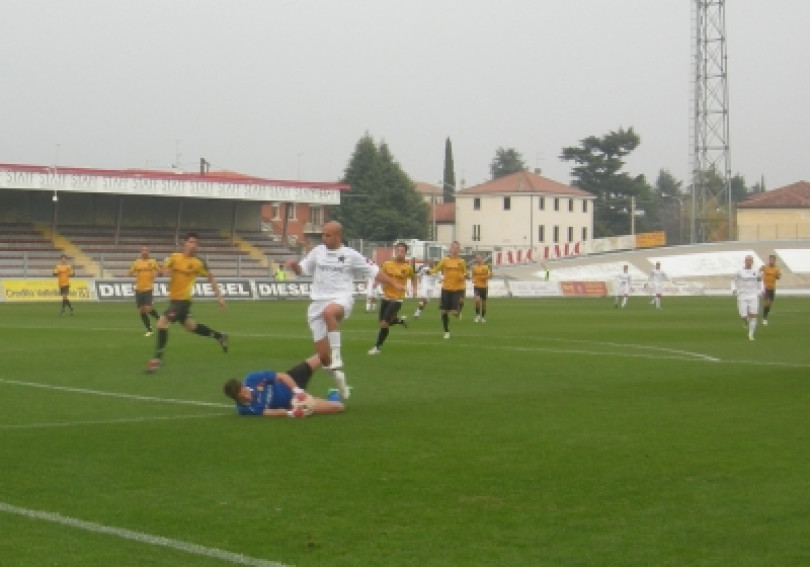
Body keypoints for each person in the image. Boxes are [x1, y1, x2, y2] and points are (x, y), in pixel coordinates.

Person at [285, 221, 403, 398]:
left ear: (338, 236)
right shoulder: (317, 252)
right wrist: (294, 265)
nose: (324, 238)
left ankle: (338, 356)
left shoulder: (350, 255)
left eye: (328, 235)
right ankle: (340, 379)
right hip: (317, 302)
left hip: (341, 299)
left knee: (329, 313)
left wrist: (393, 282)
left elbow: (374, 270)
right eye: (323, 234)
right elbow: (302, 270)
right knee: (324, 358)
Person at [145, 232, 228, 372]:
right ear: (185, 243)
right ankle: (219, 336)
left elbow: (211, 278)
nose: (193, 245)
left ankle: (157, 359)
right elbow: (163, 269)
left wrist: (219, 298)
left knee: (162, 323)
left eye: (195, 243)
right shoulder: (175, 257)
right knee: (191, 327)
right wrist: (160, 273)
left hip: (182, 302)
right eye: (191, 242)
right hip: (174, 300)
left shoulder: (198, 263)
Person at [222, 354, 345, 417]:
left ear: (243, 385)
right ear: (236, 399)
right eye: (242, 397)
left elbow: (281, 376)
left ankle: (336, 375)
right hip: (294, 403)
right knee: (338, 407)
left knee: (323, 355)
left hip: (292, 380)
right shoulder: (245, 409)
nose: (246, 397)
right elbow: (271, 413)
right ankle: (333, 395)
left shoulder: (251, 379)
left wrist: (297, 391)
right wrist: (292, 413)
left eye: (244, 392)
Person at [368, 242, 418, 355]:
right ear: (395, 251)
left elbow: (414, 279)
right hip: (386, 297)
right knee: (382, 322)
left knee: (384, 323)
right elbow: (381, 275)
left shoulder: (407, 267)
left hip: (397, 299)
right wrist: (377, 282)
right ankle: (399, 320)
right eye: (398, 251)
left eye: (402, 251)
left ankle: (377, 347)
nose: (400, 253)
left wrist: (415, 289)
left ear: (405, 253)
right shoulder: (387, 264)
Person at [431, 241, 468, 339]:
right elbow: (437, 269)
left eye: (457, 248)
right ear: (450, 249)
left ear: (459, 250)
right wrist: (430, 272)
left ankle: (459, 310)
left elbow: (465, 273)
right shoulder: (445, 260)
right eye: (453, 248)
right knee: (443, 311)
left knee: (454, 313)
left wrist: (464, 276)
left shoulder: (461, 262)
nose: (455, 250)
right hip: (446, 288)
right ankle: (446, 331)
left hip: (457, 288)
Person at [129, 245, 161, 336]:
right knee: (141, 310)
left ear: (148, 252)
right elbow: (130, 272)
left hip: (148, 289)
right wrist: (131, 275)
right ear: (141, 252)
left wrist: (157, 274)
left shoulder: (152, 262)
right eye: (143, 250)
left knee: (148, 308)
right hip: (138, 289)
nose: (144, 252)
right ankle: (149, 329)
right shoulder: (136, 263)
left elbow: (159, 271)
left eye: (146, 250)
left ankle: (159, 318)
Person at [732, 254, 763, 341]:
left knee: (753, 315)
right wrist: (734, 289)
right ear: (744, 262)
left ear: (752, 262)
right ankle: (745, 321)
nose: (748, 262)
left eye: (750, 260)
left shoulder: (756, 271)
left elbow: (760, 281)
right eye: (747, 260)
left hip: (753, 296)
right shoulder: (739, 271)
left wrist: (761, 290)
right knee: (743, 315)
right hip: (742, 295)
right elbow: (733, 281)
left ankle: (751, 334)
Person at [759, 254, 781, 325]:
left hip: (772, 288)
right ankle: (764, 318)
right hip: (765, 288)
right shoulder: (765, 267)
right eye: (770, 259)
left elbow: (778, 277)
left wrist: (777, 275)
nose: (771, 261)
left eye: (772, 260)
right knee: (767, 302)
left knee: (769, 304)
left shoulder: (776, 269)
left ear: (774, 261)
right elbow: (758, 272)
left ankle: (764, 313)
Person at [471, 254, 492, 322]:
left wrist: (486, 277)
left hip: (484, 287)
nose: (477, 259)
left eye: (479, 258)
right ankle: (477, 315)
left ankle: (483, 316)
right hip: (477, 286)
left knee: (483, 303)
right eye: (476, 258)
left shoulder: (486, 267)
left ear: (481, 259)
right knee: (477, 300)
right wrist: (473, 279)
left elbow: (490, 275)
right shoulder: (474, 267)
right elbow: (473, 275)